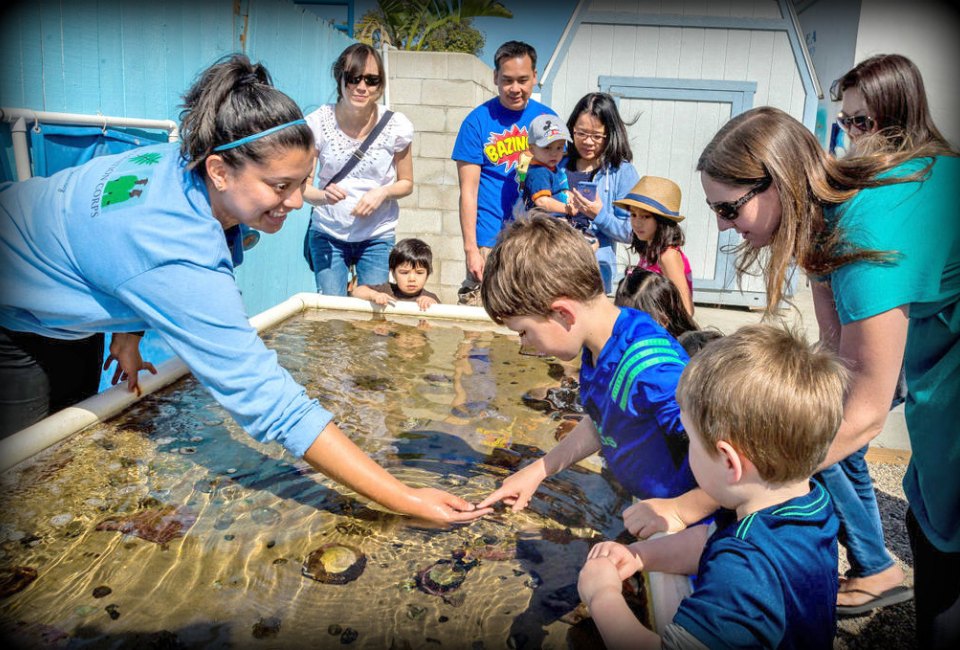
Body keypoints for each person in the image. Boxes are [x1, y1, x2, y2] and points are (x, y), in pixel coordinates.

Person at [0, 53, 489, 525]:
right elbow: (268, 400)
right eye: (280, 186)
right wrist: (402, 496)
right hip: (12, 308)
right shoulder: (177, 249)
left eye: (303, 182)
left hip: (54, 289)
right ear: (219, 170)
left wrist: (126, 331)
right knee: (27, 477)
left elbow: (113, 255)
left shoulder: (181, 163)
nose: (297, 201)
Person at [697, 102, 958, 647]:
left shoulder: (863, 238)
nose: (722, 227)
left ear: (779, 184)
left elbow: (862, 414)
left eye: (728, 209)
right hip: (941, 355)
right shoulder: (821, 228)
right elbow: (835, 354)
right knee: (930, 509)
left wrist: (725, 487)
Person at [579, 324, 847, 649]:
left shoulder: (742, 576)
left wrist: (602, 596)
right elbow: (709, 542)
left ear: (729, 462)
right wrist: (638, 556)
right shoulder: (807, 505)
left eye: (689, 439)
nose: (687, 448)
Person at [475, 214, 696, 513]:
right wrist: (539, 470)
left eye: (524, 332)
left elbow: (731, 454)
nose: (524, 345)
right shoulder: (600, 346)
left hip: (687, 529)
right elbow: (603, 421)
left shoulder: (652, 370)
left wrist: (682, 513)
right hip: (650, 509)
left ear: (564, 314)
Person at [303, 43, 414, 296]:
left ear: (380, 84)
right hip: (328, 234)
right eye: (354, 78)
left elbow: (406, 182)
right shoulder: (318, 122)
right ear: (340, 78)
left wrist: (382, 193)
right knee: (334, 315)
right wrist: (323, 196)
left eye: (371, 80)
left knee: (375, 315)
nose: (362, 87)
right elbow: (303, 188)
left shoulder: (396, 125)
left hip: (376, 236)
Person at [451, 40, 555, 305]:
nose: (515, 88)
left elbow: (560, 181)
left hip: (533, 243)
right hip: (489, 242)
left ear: (535, 77)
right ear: (495, 76)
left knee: (530, 322)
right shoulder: (477, 121)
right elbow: (468, 192)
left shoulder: (548, 119)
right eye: (507, 80)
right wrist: (471, 249)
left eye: (523, 80)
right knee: (480, 326)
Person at [564, 92, 640, 294]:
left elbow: (633, 232)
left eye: (597, 136)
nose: (588, 142)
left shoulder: (621, 172)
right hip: (552, 269)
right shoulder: (556, 163)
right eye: (581, 133)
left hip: (593, 277)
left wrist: (599, 215)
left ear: (611, 134)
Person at [614, 176, 694, 316]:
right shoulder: (649, 251)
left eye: (645, 216)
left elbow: (686, 309)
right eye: (633, 215)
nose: (637, 223)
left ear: (662, 221)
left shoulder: (668, 256)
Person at [350, 237, 440, 311]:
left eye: (419, 273)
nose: (412, 278)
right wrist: (374, 295)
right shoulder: (387, 290)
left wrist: (432, 304)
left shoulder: (430, 298)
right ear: (393, 273)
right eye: (404, 272)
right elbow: (356, 291)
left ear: (427, 275)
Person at [614, 267, 699, 339]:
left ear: (662, 321)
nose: (622, 327)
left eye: (632, 322)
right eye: (620, 318)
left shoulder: (678, 354)